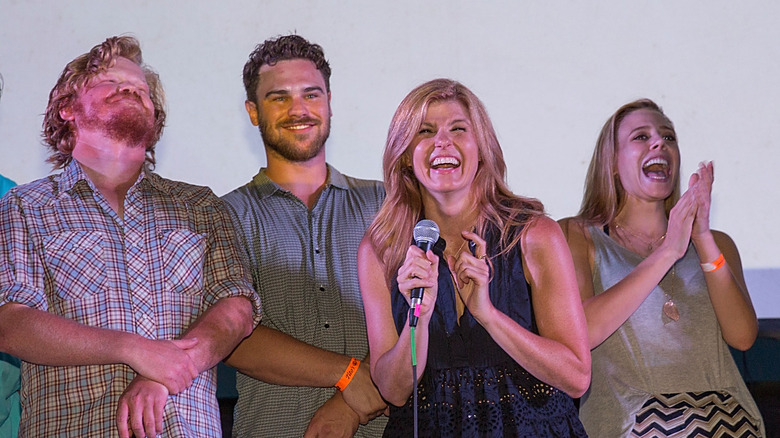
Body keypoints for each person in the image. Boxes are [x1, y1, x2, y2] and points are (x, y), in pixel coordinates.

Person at [0, 36, 261, 438]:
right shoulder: (24, 205)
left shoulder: (201, 206)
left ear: (155, 120)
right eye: (110, 82)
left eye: (140, 89)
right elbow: (10, 322)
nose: (130, 89)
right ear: (66, 108)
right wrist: (132, 348)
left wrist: (166, 372)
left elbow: (237, 308)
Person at [358, 78, 591, 437]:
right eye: (425, 131)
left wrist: (489, 315)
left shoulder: (535, 234)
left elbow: (576, 377)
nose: (442, 142)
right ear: (405, 154)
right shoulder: (381, 250)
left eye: (458, 129)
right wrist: (417, 318)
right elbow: (392, 389)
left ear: (481, 148)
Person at [558, 99, 765, 437]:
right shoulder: (576, 235)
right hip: (631, 426)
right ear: (611, 162)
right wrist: (667, 252)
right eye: (641, 137)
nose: (659, 143)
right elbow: (582, 332)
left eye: (669, 137)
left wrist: (702, 238)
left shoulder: (717, 244)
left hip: (727, 424)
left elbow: (742, 336)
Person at [221, 34, 388, 437]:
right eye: (279, 97)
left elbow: (419, 320)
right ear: (253, 112)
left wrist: (348, 408)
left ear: (329, 102)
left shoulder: (386, 203)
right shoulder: (222, 215)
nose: (298, 109)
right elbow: (229, 339)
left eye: (311, 95)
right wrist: (348, 375)